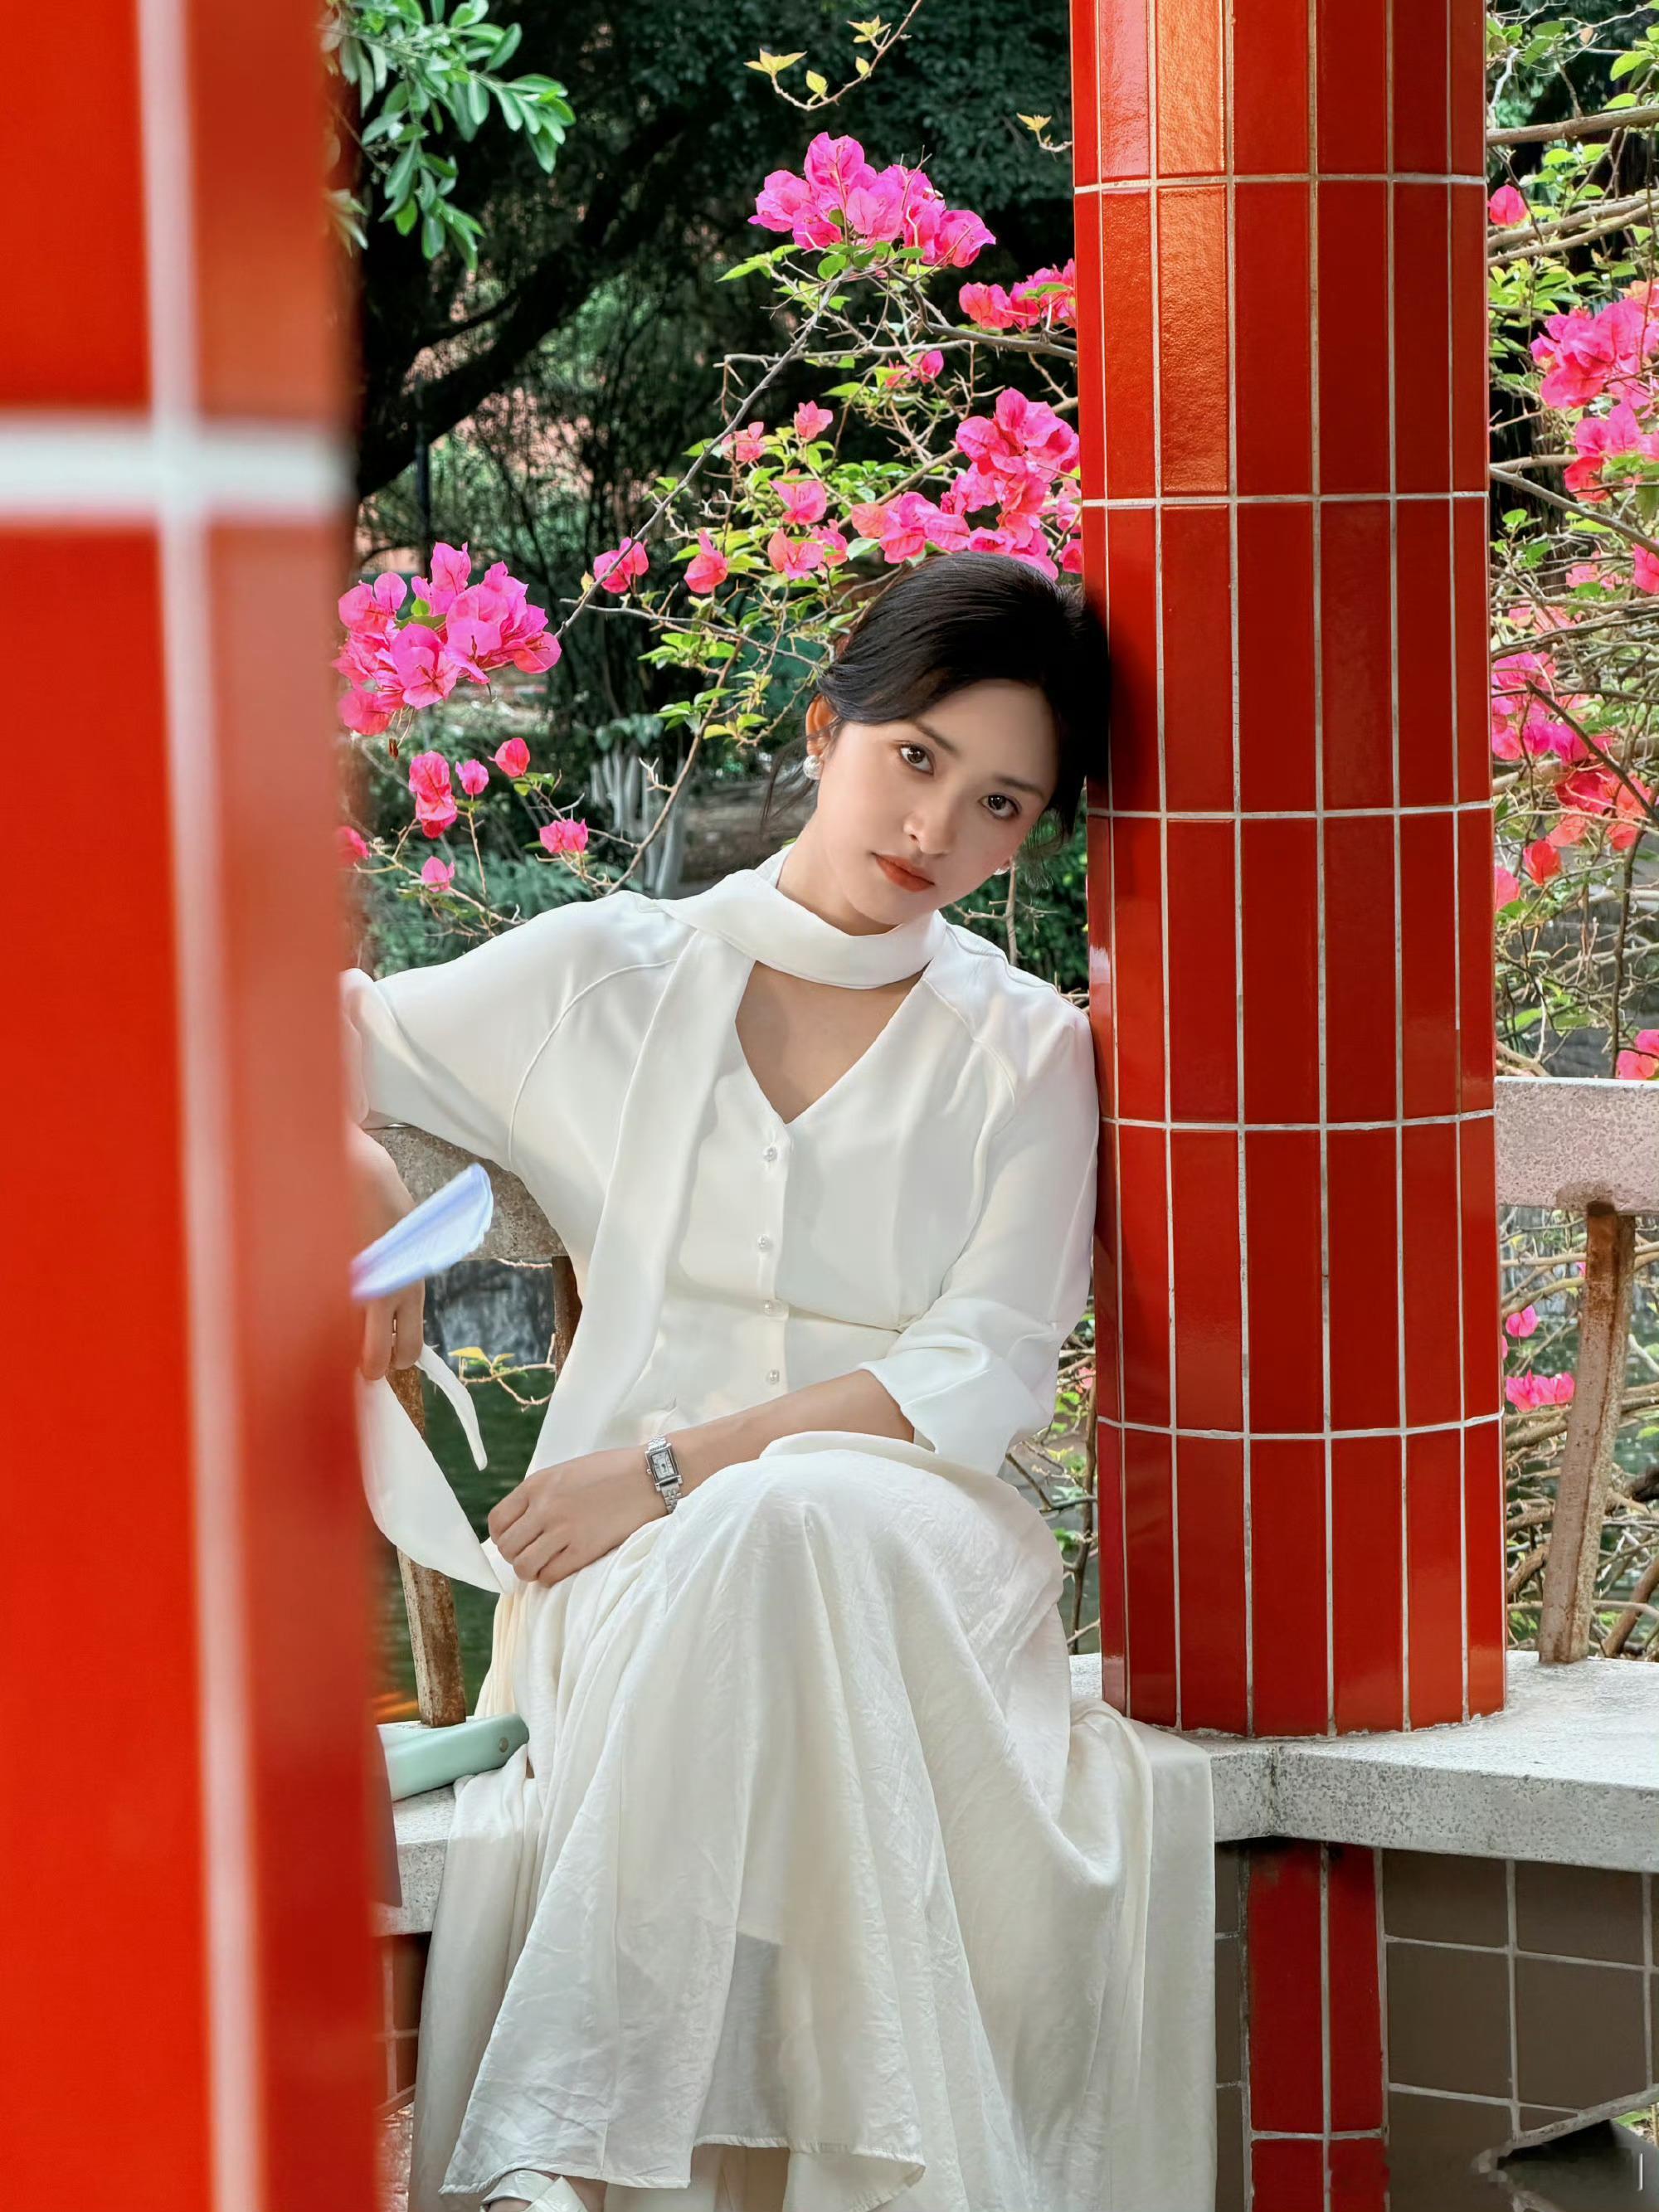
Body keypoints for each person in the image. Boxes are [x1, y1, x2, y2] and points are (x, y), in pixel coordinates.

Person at [343, 551, 1215, 2212]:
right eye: (915, 758)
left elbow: (984, 1366)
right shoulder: (610, 974)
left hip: (916, 1553)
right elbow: (289, 1027)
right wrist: (353, 1162)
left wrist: (676, 1464)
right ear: (827, 729)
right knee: (757, 1544)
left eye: (1003, 804)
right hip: (632, 1576)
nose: (936, 829)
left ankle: (555, 2140)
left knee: (788, 1515)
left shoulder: (1024, 1047)